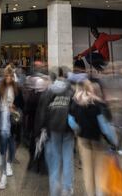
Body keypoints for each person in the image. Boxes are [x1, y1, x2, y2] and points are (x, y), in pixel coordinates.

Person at [68, 79, 118, 196]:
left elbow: (70, 120)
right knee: (99, 171)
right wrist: (113, 141)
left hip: (83, 139)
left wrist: (78, 129)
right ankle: (99, 193)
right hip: (98, 140)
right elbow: (105, 127)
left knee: (87, 170)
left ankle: (90, 193)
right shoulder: (98, 104)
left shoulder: (75, 102)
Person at [37, 68, 75, 196]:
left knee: (55, 159)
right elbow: (75, 109)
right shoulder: (71, 90)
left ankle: (54, 190)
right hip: (68, 128)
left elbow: (43, 111)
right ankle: (67, 189)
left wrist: (43, 128)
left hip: (54, 127)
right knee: (68, 158)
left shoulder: (50, 90)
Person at [0, 66, 23, 190]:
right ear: (4, 76)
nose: (9, 78)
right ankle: (4, 170)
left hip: (12, 120)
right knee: (5, 140)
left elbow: (22, 104)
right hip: (1, 119)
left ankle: (7, 162)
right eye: (7, 76)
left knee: (10, 143)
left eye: (11, 76)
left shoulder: (17, 89)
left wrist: (14, 107)